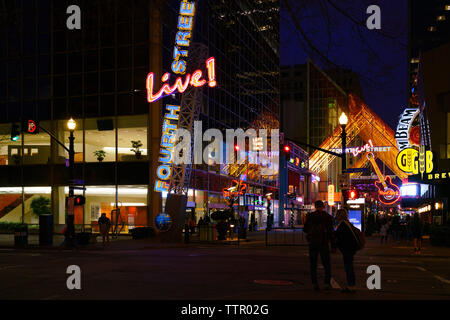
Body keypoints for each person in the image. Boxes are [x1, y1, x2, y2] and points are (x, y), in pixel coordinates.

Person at [303, 200, 335, 291]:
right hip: (324, 242)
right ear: (323, 207)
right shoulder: (328, 217)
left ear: (315, 206)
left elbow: (305, 229)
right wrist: (333, 245)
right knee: (326, 264)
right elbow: (331, 232)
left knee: (313, 264)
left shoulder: (310, 216)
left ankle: (314, 283)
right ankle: (326, 283)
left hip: (313, 243)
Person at [335, 209, 358, 293]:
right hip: (350, 249)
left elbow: (341, 238)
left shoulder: (343, 225)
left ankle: (351, 286)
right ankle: (352, 285)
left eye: (337, 214)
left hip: (347, 249)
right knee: (349, 267)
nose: (335, 216)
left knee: (348, 267)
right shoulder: (347, 223)